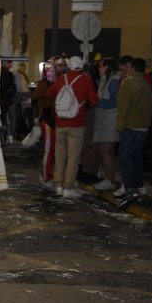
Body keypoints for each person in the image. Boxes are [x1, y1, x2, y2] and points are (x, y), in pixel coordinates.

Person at [46, 56, 99, 198]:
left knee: (60, 154)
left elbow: (49, 93)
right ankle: (68, 187)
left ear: (69, 67)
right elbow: (94, 101)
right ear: (81, 67)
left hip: (60, 123)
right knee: (73, 156)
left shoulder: (61, 79)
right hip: (77, 124)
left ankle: (58, 184)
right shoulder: (86, 81)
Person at [115, 57, 152, 208]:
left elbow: (123, 107)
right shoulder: (145, 83)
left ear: (131, 68)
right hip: (143, 128)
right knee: (136, 157)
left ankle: (131, 190)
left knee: (124, 159)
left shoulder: (128, 82)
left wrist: (121, 125)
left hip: (131, 128)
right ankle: (139, 187)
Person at [92, 58, 121, 191]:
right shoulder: (106, 80)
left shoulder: (113, 82)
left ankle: (110, 179)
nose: (98, 69)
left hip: (109, 120)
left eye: (101, 66)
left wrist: (97, 102)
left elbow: (116, 101)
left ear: (107, 68)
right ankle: (109, 178)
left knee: (105, 150)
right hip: (105, 119)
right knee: (105, 150)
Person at [32, 61, 57, 189]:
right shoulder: (44, 84)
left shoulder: (59, 81)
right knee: (48, 149)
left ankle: (52, 176)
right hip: (48, 119)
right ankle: (47, 176)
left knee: (55, 150)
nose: (51, 72)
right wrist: (51, 101)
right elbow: (36, 100)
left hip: (56, 119)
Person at [0, 60, 16, 143]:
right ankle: (5, 137)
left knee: (0, 119)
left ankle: (1, 137)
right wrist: (9, 96)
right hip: (6, 100)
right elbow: (13, 88)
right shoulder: (9, 74)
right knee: (6, 119)